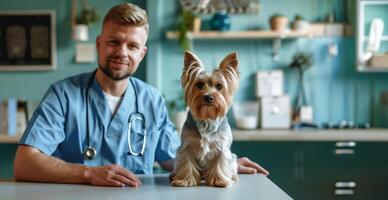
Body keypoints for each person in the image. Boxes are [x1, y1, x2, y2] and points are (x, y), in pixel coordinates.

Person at [13, 3, 269, 187]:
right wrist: (87, 174)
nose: (122, 52)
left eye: (132, 45)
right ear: (99, 44)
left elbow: (177, 157)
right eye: (114, 42)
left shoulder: (151, 99)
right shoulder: (63, 95)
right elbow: (24, 163)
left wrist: (226, 159)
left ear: (142, 53)